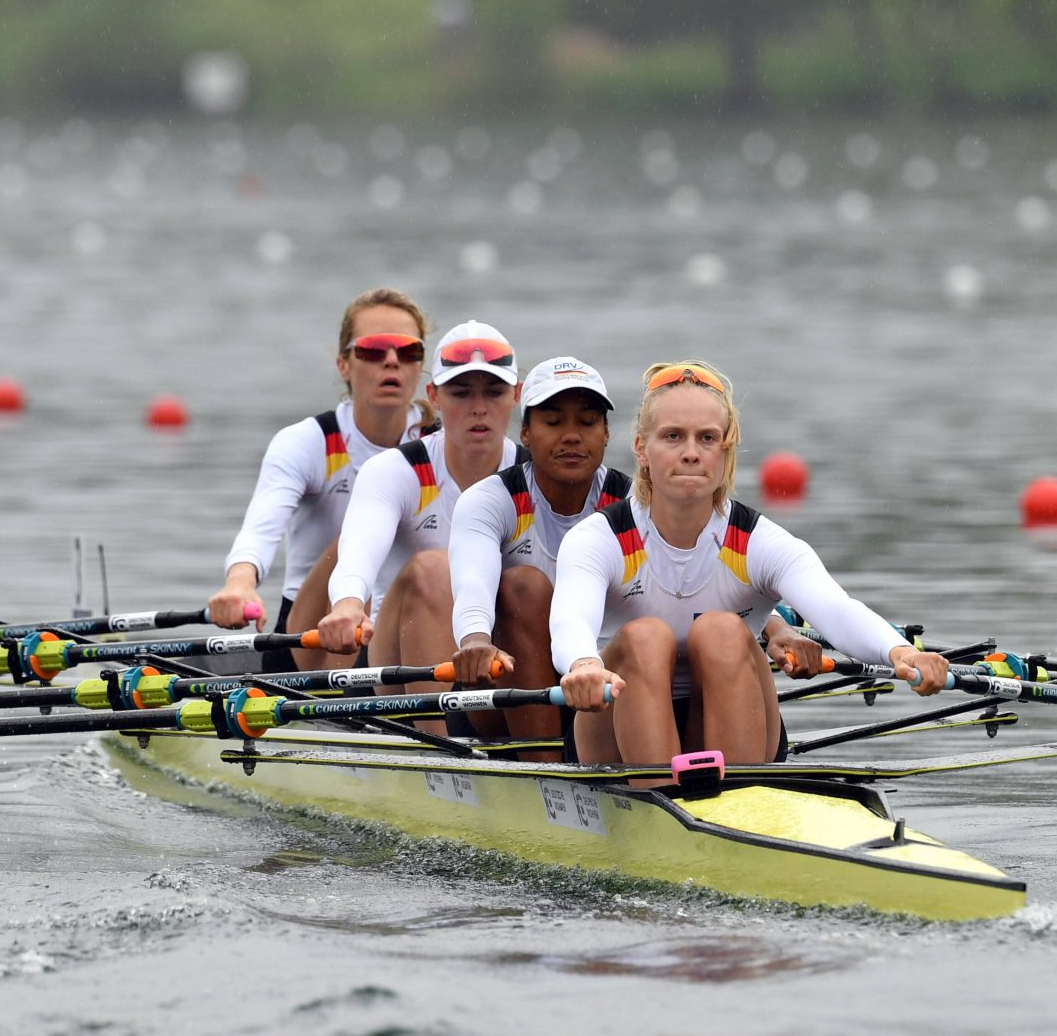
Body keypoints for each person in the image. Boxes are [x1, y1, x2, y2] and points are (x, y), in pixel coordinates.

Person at [551, 361, 951, 766]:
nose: (691, 453)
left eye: (706, 438)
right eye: (673, 437)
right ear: (641, 447)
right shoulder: (598, 539)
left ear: (725, 449)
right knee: (645, 636)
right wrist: (583, 663)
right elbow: (571, 619)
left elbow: (836, 610)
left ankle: (738, 800)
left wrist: (900, 652)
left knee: (722, 628)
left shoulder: (759, 542)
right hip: (617, 733)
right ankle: (656, 795)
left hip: (728, 718)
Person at [209, 288, 431, 669]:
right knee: (357, 539)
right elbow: (261, 529)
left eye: (408, 351)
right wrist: (240, 582)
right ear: (344, 364)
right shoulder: (308, 442)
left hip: (402, 627)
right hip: (309, 638)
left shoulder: (441, 447)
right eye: (373, 350)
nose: (392, 361)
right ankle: (338, 709)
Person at [315, 320, 521, 673]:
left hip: (502, 659)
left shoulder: (534, 476)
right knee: (435, 567)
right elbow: (359, 549)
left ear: (516, 395)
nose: (479, 408)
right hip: (394, 656)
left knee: (527, 586)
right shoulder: (394, 470)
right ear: (434, 397)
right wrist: (348, 603)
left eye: (494, 392)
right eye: (461, 393)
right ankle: (438, 729)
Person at [446, 355, 630, 748]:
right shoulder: (490, 501)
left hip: (605, 687)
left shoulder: (633, 503)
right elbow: (473, 583)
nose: (572, 436)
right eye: (553, 422)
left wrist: (772, 625)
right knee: (524, 585)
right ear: (526, 433)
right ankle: (544, 769)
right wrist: (475, 639)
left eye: (587, 422)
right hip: (508, 694)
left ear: (606, 432)